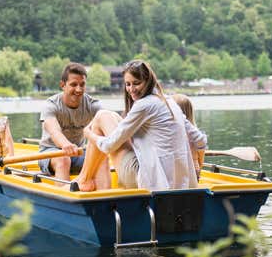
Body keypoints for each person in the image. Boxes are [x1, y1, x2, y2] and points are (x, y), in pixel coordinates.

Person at [74, 60, 206, 192]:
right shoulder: (169, 101)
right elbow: (200, 140)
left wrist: (88, 134)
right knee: (112, 117)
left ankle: (85, 179)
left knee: (101, 117)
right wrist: (195, 163)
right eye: (128, 84)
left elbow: (109, 145)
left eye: (136, 83)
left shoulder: (144, 105)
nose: (131, 89)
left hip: (150, 181)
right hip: (182, 183)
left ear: (148, 80)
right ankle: (90, 181)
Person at [38, 62, 102, 180]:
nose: (78, 89)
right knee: (64, 159)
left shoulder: (93, 104)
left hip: (78, 153)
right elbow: (54, 131)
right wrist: (65, 144)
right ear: (63, 85)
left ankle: (104, 195)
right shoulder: (50, 105)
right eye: (74, 84)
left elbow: (108, 125)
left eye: (82, 85)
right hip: (50, 153)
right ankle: (63, 193)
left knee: (102, 159)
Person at [172, 93, 207, 179]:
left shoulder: (174, 132)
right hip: (195, 170)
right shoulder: (194, 132)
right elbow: (201, 154)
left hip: (180, 170)